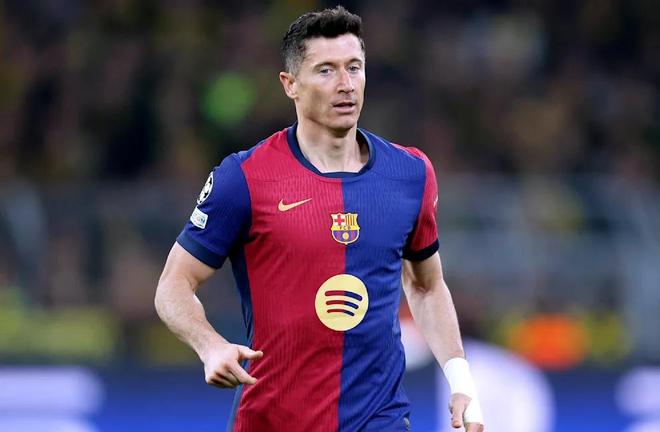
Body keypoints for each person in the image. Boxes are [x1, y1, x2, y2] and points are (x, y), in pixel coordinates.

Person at [155, 6, 484, 432]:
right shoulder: (245, 178)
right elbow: (173, 285)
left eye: (354, 67)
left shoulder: (410, 173)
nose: (346, 84)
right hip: (272, 419)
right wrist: (210, 345)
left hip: (378, 418)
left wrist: (461, 380)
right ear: (290, 84)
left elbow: (425, 285)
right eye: (326, 70)